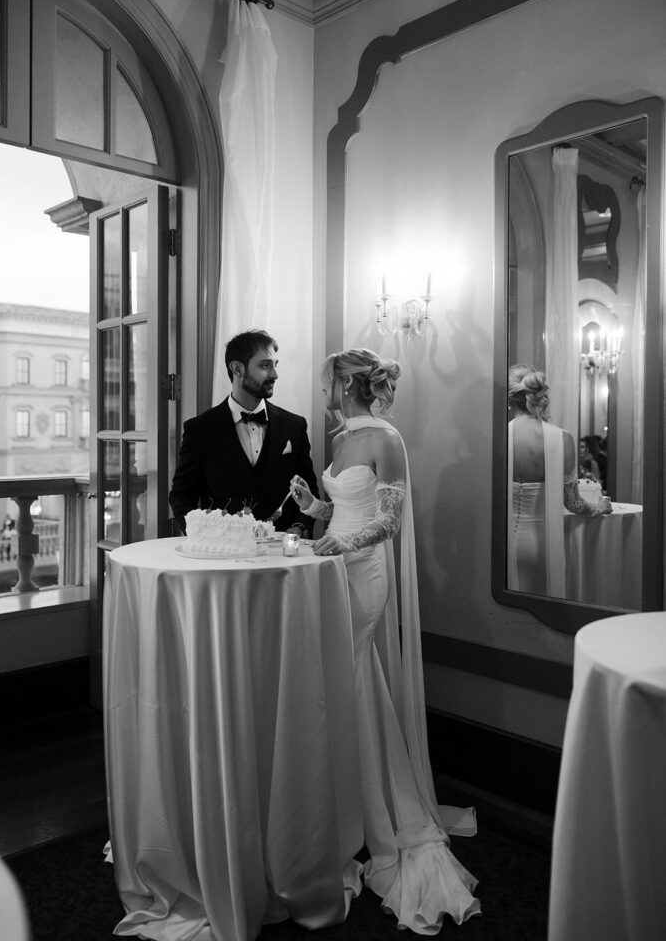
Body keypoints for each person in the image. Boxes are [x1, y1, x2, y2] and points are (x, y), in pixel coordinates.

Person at [289, 347, 480, 935]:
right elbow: (343, 510)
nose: (323, 392)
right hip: (332, 567)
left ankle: (362, 807)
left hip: (364, 573)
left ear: (346, 384)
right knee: (345, 682)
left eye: (328, 383)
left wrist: (340, 545)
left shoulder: (387, 440)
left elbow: (388, 523)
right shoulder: (343, 437)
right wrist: (313, 505)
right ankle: (343, 793)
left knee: (345, 673)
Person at [169, 329, 319, 535]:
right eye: (265, 366)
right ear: (237, 368)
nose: (274, 375)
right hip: (223, 554)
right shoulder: (200, 429)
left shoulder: (294, 425)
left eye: (274, 365)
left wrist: (300, 527)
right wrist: (202, 536)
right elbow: (181, 495)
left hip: (282, 556)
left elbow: (310, 489)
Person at [508, 364, 611, 598]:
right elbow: (573, 504)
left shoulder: (498, 437)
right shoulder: (562, 439)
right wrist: (600, 507)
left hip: (502, 544)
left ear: (510, 400)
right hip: (544, 544)